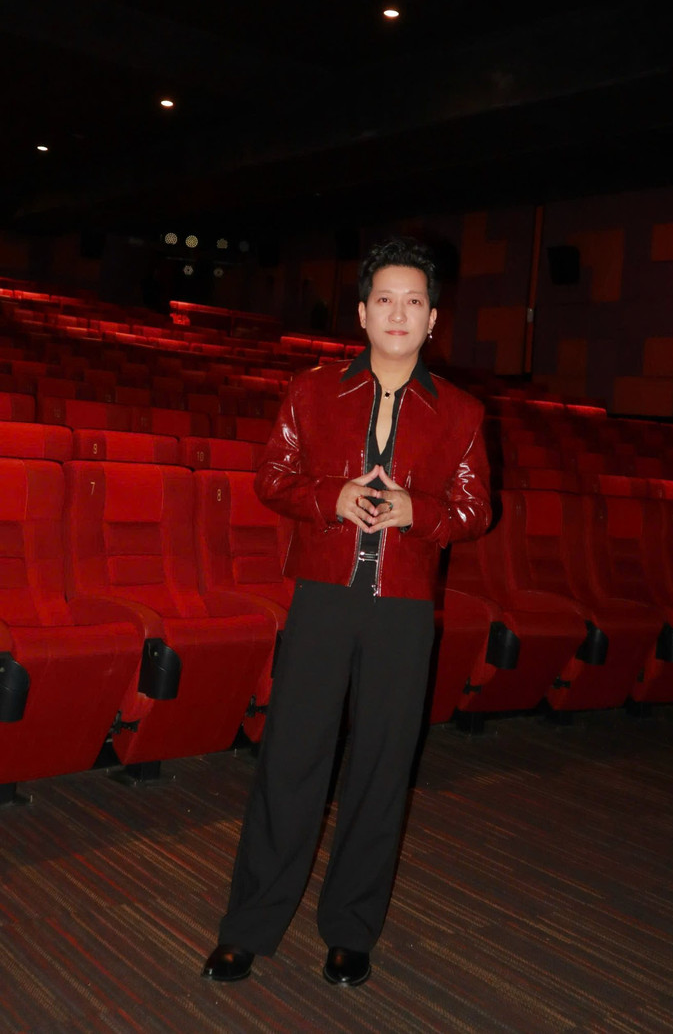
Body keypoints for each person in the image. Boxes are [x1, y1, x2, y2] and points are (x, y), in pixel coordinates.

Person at [202, 236, 491, 987]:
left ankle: (350, 931)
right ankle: (249, 926)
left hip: (403, 609)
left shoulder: (462, 412)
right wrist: (331, 497)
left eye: (414, 301)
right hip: (324, 598)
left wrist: (416, 512)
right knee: (291, 758)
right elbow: (272, 476)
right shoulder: (311, 391)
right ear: (362, 313)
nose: (399, 313)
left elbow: (474, 509)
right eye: (384, 299)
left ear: (433, 319)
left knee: (382, 767)